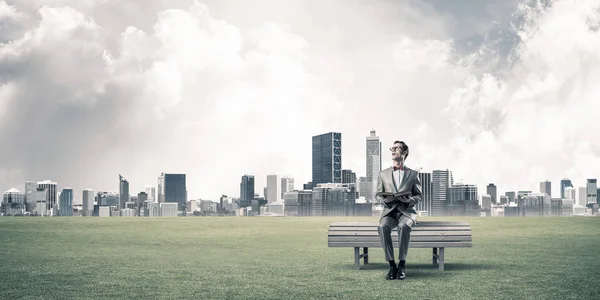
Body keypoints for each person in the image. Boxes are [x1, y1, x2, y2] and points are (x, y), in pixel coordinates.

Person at [376, 140, 422, 280]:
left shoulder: (413, 174)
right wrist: (384, 200)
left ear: (404, 152)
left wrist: (409, 200)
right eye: (392, 148)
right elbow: (378, 195)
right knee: (382, 226)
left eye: (397, 148)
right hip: (389, 212)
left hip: (406, 212)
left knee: (403, 226)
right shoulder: (383, 174)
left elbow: (419, 196)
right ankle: (391, 265)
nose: (393, 150)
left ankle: (402, 265)